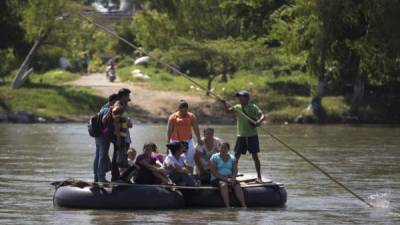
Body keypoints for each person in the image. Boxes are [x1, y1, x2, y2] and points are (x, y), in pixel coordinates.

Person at [221, 90, 266, 183]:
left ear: (247, 98)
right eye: (239, 97)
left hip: (252, 136)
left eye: (241, 97)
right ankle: (233, 174)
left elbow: (262, 115)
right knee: (236, 157)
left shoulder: (253, 107)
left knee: (255, 157)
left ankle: (259, 177)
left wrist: (259, 122)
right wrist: (224, 103)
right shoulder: (237, 107)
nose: (240, 99)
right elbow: (227, 112)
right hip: (241, 136)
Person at [167, 100, 203, 171]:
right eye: (182, 110)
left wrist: (199, 138)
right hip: (175, 140)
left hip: (188, 140)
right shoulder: (173, 117)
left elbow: (196, 128)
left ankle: (190, 174)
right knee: (174, 158)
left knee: (190, 157)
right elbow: (169, 130)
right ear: (179, 109)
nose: (184, 112)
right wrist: (168, 141)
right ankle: (175, 174)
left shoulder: (191, 116)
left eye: (186, 110)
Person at [209, 142, 247, 208]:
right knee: (224, 185)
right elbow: (213, 172)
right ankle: (228, 206)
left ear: (228, 149)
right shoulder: (214, 157)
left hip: (229, 177)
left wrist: (233, 178)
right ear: (219, 148)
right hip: (217, 178)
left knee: (237, 185)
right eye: (222, 148)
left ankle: (244, 205)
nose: (223, 150)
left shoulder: (232, 158)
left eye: (225, 148)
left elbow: (235, 170)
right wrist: (226, 179)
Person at [93, 93, 118, 183]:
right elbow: (104, 120)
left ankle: (96, 177)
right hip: (104, 136)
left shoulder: (103, 107)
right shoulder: (108, 109)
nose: (118, 103)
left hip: (97, 135)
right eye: (117, 101)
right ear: (112, 101)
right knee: (102, 157)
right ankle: (101, 178)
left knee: (97, 156)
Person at [110, 88, 132, 181]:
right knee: (117, 156)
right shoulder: (118, 107)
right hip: (120, 136)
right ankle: (115, 178)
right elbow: (116, 122)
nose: (128, 98)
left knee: (121, 156)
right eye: (127, 96)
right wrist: (118, 137)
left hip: (122, 135)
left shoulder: (121, 106)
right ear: (123, 96)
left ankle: (119, 177)